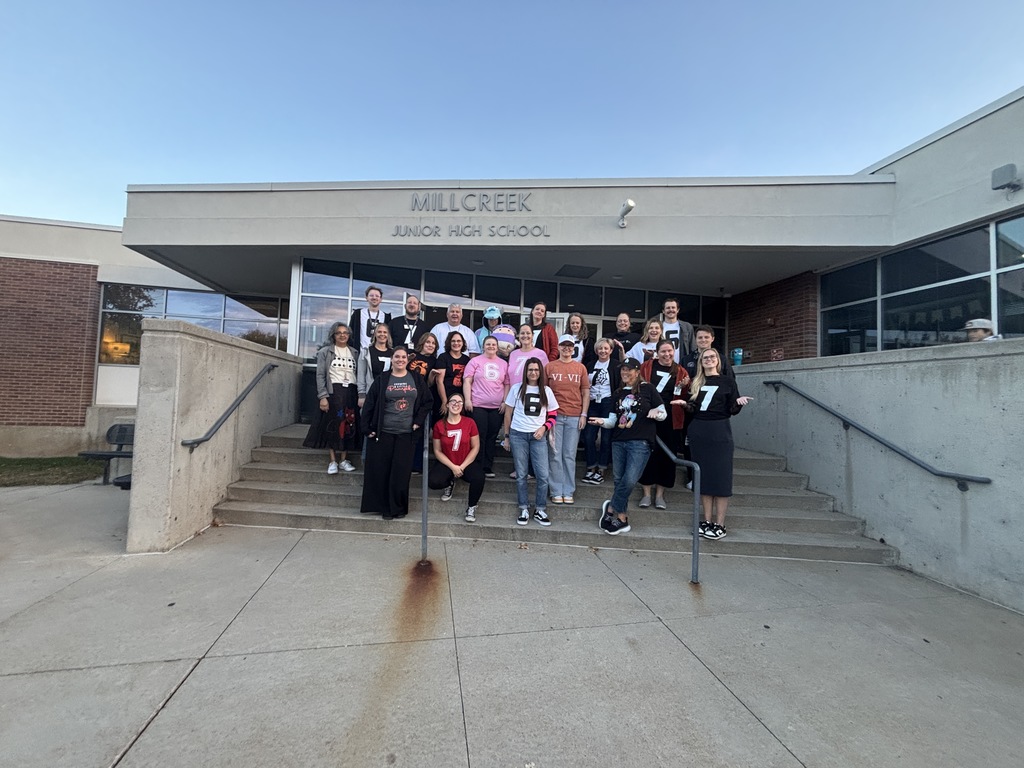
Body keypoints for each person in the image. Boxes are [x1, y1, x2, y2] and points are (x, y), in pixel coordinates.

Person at [676, 348, 752, 540]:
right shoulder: (696, 382)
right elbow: (693, 408)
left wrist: (739, 403)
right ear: (701, 362)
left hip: (719, 431)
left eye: (712, 357)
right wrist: (685, 405)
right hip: (699, 431)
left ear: (718, 361)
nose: (709, 360)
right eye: (705, 358)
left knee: (721, 477)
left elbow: (732, 408)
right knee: (704, 477)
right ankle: (707, 520)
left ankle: (720, 524)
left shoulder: (727, 381)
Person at [590, 358, 667, 535]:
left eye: (629, 370)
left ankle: (610, 508)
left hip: (640, 442)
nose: (625, 373)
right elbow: (612, 421)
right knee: (618, 480)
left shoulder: (648, 388)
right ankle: (622, 518)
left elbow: (663, 412)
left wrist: (657, 412)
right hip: (618, 441)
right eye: (623, 370)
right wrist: (602, 421)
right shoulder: (617, 393)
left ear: (637, 371)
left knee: (630, 479)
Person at [359, 346, 433, 520]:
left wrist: (418, 421)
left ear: (408, 360)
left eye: (403, 357)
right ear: (391, 359)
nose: (400, 360)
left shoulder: (416, 378)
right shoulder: (382, 379)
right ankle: (384, 508)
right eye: (397, 357)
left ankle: (397, 508)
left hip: (406, 434)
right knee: (382, 471)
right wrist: (366, 428)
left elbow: (428, 402)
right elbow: (369, 404)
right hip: (383, 432)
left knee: (400, 473)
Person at [502, 357, 558, 527]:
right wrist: (506, 436)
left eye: (536, 369)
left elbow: (553, 414)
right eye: (530, 369)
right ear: (525, 372)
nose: (533, 372)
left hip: (537, 436)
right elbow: (508, 414)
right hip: (518, 434)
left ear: (540, 372)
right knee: (521, 474)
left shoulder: (546, 390)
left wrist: (544, 428)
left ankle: (540, 509)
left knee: (543, 475)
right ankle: (524, 508)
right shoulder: (516, 388)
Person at [638, 340, 690, 509]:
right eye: (663, 351)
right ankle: (646, 493)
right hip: (648, 416)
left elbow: (683, 396)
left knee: (667, 456)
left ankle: (660, 495)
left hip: (670, 419)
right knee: (647, 454)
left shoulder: (681, 371)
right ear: (657, 352)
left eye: (670, 351)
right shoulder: (646, 366)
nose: (667, 355)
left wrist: (684, 386)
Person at [303, 322, 358, 473]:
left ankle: (344, 459)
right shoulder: (325, 352)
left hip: (350, 393)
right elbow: (320, 375)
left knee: (348, 425)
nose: (342, 335)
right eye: (338, 332)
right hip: (334, 392)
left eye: (345, 332)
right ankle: (333, 460)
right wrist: (323, 396)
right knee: (334, 425)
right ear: (333, 335)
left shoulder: (354, 352)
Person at [545, 334, 590, 504]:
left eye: (569, 345)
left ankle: (568, 490)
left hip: (574, 415)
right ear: (559, 346)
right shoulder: (549, 367)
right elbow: (545, 393)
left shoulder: (580, 368)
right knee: (555, 454)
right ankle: (556, 490)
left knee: (569, 455)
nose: (566, 348)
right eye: (563, 345)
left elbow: (585, 392)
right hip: (555, 416)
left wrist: (583, 414)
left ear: (574, 347)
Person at [429, 393, 486, 522]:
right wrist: (453, 467)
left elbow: (475, 447)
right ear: (447, 405)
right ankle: (449, 483)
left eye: (460, 402)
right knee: (433, 481)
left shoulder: (470, 423)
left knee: (479, 478)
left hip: (466, 462)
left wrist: (462, 466)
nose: (456, 404)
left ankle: (471, 507)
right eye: (453, 401)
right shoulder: (439, 425)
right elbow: (437, 451)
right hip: (448, 462)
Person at [463, 335, 509, 478]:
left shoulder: (503, 363)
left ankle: (487, 466)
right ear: (483, 346)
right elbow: (467, 381)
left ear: (497, 347)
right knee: (480, 435)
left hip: (497, 407)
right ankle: (477, 465)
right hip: (478, 405)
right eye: (488, 344)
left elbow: (507, 384)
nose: (491, 347)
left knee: (492, 436)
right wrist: (467, 399)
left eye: (493, 344)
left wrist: (505, 401)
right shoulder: (474, 361)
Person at [581, 338, 621, 485]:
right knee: (589, 437)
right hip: (592, 403)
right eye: (600, 348)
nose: (603, 351)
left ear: (611, 350)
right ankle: (591, 467)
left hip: (608, 403)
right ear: (596, 350)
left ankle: (602, 469)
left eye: (606, 348)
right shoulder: (590, 365)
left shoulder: (616, 365)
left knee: (606, 438)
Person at [506, 323, 539, 480]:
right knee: (517, 434)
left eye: (528, 333)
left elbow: (543, 378)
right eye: (522, 333)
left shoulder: (540, 354)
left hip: (534, 397)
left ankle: (531, 469)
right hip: (516, 396)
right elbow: (508, 376)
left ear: (533, 335)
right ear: (518, 336)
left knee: (532, 433)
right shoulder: (513, 354)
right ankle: (520, 467)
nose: (525, 336)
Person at [407, 332, 440, 474]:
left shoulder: (435, 361)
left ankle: (417, 465)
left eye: (433, 343)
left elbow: (430, 385)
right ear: (422, 343)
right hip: (407, 398)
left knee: (421, 434)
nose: (430, 345)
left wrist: (432, 376)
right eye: (428, 342)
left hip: (423, 402)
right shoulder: (411, 356)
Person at [356, 322, 393, 409]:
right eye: (379, 332)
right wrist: (361, 395)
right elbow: (361, 375)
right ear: (375, 334)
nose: (382, 334)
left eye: (385, 332)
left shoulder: (393, 353)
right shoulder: (366, 352)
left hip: (389, 393)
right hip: (371, 392)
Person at [434, 331, 470, 416]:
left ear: (463, 343)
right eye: (453, 341)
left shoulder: (467, 360)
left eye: (459, 341)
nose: (456, 343)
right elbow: (439, 381)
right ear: (449, 343)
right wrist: (444, 401)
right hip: (444, 397)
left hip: (461, 399)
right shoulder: (443, 357)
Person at [349, 284, 391, 353]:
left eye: (377, 296)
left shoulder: (386, 317)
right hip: (361, 353)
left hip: (378, 353)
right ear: (366, 298)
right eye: (371, 295)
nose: (374, 298)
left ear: (381, 299)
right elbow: (350, 333)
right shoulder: (358, 314)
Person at [660, 297, 695, 362]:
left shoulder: (686, 327)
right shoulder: (658, 327)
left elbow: (692, 348)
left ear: (678, 310)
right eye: (668, 308)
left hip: (681, 365)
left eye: (673, 307)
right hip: (662, 364)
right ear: (663, 311)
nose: (671, 310)